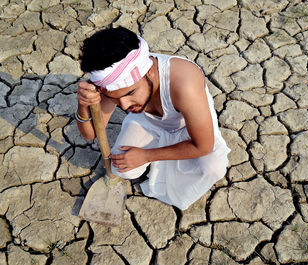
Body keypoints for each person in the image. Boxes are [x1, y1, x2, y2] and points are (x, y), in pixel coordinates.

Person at [76, 27, 230, 210]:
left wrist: (146, 155)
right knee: (123, 169)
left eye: (130, 93)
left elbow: (202, 145)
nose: (124, 106)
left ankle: (157, 161)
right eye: (115, 99)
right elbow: (90, 134)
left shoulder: (184, 82)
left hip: (186, 127)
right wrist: (83, 105)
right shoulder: (110, 84)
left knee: (213, 167)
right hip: (147, 122)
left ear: (149, 71)